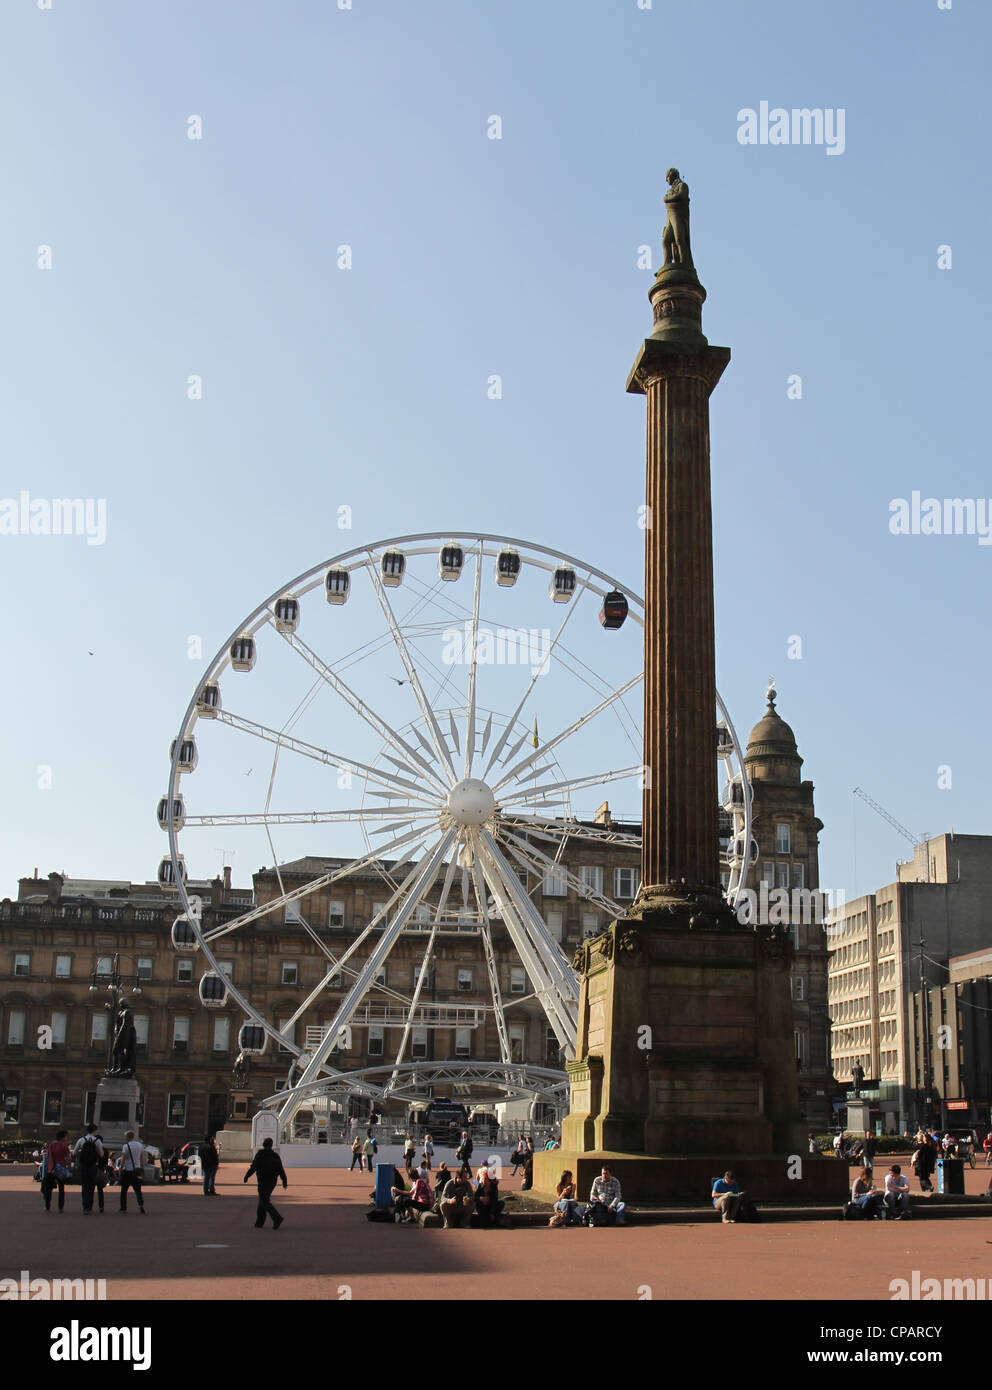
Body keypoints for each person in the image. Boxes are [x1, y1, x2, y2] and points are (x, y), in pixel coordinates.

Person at [244, 1137, 288, 1229]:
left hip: (263, 1180)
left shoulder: (260, 1154)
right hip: (272, 1181)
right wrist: (284, 1181)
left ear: (264, 1144)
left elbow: (254, 1167)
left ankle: (277, 1218)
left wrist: (247, 1176)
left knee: (264, 1201)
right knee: (263, 1200)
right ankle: (259, 1222)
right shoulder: (275, 1156)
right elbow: (280, 1169)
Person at [73, 1124, 105, 1214]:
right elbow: (101, 1154)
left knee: (85, 1186)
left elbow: (74, 1152)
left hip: (83, 1165)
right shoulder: (97, 1141)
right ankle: (90, 1206)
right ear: (94, 1131)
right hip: (93, 1165)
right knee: (91, 1186)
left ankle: (85, 1207)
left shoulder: (81, 1140)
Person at [117, 1131, 147, 1214]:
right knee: (138, 1190)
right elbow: (141, 1158)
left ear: (127, 1137)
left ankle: (123, 1207)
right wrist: (142, 1168)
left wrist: (120, 1168)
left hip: (128, 1171)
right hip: (137, 1170)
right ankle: (141, 1205)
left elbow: (123, 1159)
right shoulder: (140, 1145)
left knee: (124, 1190)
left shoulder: (126, 1146)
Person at [42, 1130, 72, 1213]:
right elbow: (68, 1158)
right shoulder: (64, 1145)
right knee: (61, 1188)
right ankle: (60, 1207)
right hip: (61, 1169)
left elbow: (48, 1157)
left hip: (51, 1168)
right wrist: (68, 1168)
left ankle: (47, 1205)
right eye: (66, 1136)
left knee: (48, 1188)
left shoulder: (51, 1144)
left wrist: (47, 1167)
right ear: (63, 1137)